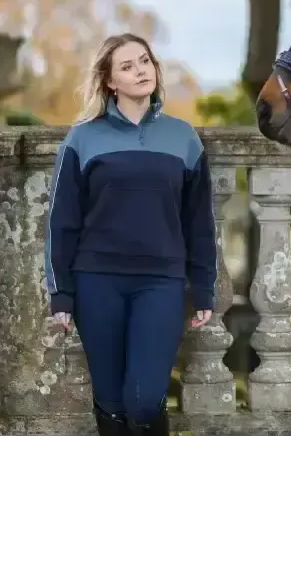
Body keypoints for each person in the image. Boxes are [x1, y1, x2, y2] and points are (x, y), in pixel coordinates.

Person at [44, 33, 218, 439]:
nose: (141, 71)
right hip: (97, 282)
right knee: (111, 402)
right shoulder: (83, 138)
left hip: (161, 283)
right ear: (109, 81)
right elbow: (62, 221)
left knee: (144, 398)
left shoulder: (183, 138)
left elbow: (199, 221)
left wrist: (204, 286)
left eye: (145, 61)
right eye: (127, 66)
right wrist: (62, 293)